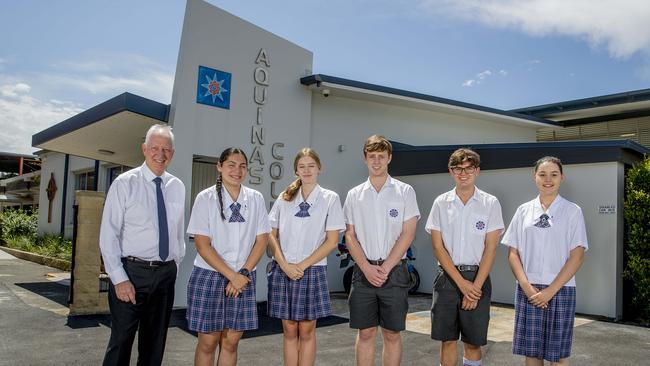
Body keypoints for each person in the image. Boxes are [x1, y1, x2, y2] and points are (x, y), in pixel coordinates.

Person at [99, 124, 186, 366]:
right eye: (155, 148)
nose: (161, 154)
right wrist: (119, 278)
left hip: (165, 275)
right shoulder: (124, 183)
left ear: (173, 153)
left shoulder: (177, 187)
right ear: (144, 149)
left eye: (166, 149)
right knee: (121, 342)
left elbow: (177, 232)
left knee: (154, 345)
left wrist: (174, 265)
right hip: (131, 274)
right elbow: (109, 234)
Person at [186, 147, 271, 366]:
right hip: (209, 276)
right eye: (231, 165)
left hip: (244, 277)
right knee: (208, 341)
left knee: (231, 341)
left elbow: (261, 241)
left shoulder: (256, 198)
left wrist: (241, 273)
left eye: (242, 165)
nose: (237, 170)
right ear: (220, 166)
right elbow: (202, 245)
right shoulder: (205, 198)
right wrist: (232, 276)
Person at [502, 156, 588, 365]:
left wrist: (550, 291)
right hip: (528, 289)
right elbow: (513, 253)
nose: (548, 179)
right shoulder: (523, 211)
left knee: (557, 356)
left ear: (562, 178)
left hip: (561, 289)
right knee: (532, 354)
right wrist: (527, 288)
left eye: (554, 174)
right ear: (535, 177)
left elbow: (577, 256)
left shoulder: (572, 211)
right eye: (542, 174)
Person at [343, 135, 420, 366]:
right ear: (365, 159)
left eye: (381, 157)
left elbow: (408, 234)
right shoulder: (355, 195)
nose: (377, 161)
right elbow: (350, 235)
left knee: (391, 333)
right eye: (372, 156)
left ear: (389, 159)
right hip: (363, 272)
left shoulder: (405, 191)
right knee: (365, 333)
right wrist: (367, 268)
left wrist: (384, 268)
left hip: (394, 273)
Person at [267, 148, 345, 366]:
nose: (307, 170)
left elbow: (331, 241)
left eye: (311, 165)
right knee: (289, 329)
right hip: (283, 269)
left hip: (312, 269)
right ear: (296, 171)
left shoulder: (330, 198)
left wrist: (300, 266)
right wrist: (284, 264)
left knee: (307, 329)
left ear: (319, 168)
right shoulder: (285, 197)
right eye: (302, 166)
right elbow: (270, 234)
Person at [425, 148, 504, 366]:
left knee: (473, 342)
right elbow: (438, 247)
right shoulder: (441, 202)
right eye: (458, 169)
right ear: (451, 171)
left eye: (469, 168)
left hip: (478, 278)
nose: (463, 173)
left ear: (477, 171)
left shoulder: (490, 203)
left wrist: (474, 288)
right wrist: (462, 285)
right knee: (447, 340)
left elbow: (491, 249)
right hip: (447, 279)